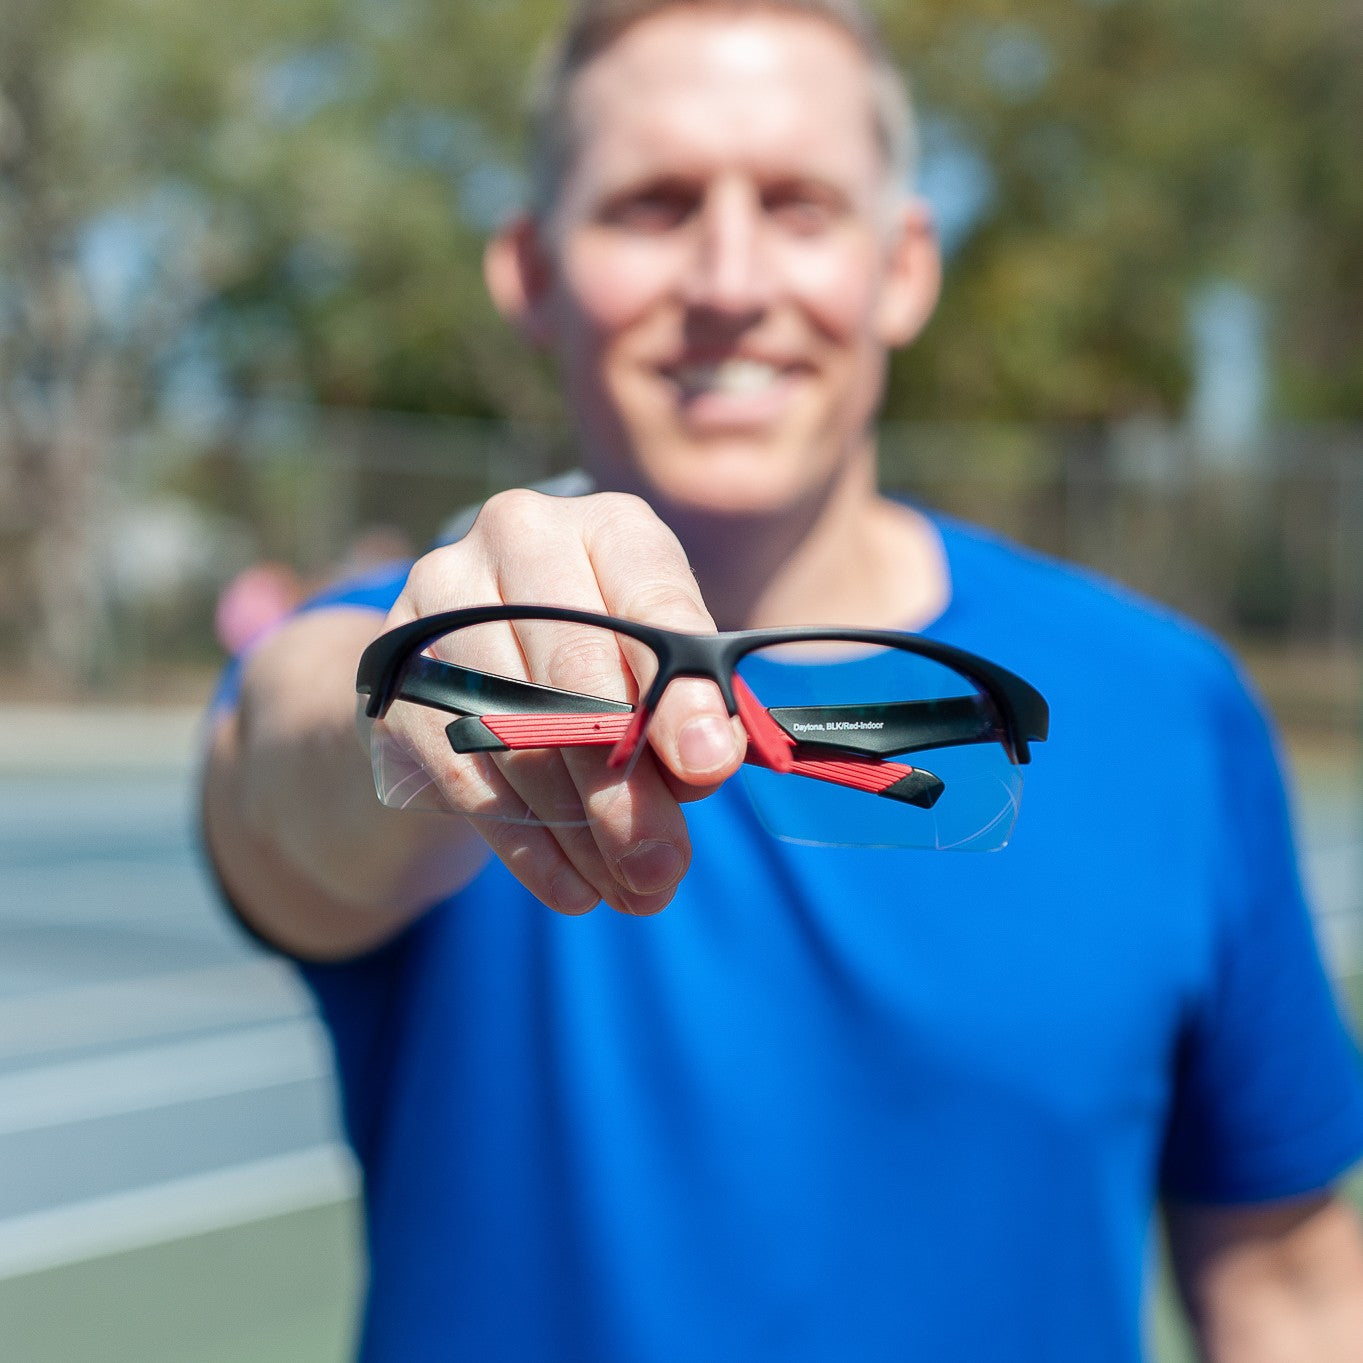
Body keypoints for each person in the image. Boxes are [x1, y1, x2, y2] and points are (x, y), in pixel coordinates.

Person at [201, 1, 1363, 1358]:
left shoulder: (1165, 707)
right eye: (653, 205)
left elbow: (1287, 1283)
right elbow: (290, 777)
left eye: (801, 204)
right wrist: (419, 704)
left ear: (905, 265)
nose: (732, 277)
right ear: (530, 270)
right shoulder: (439, 655)